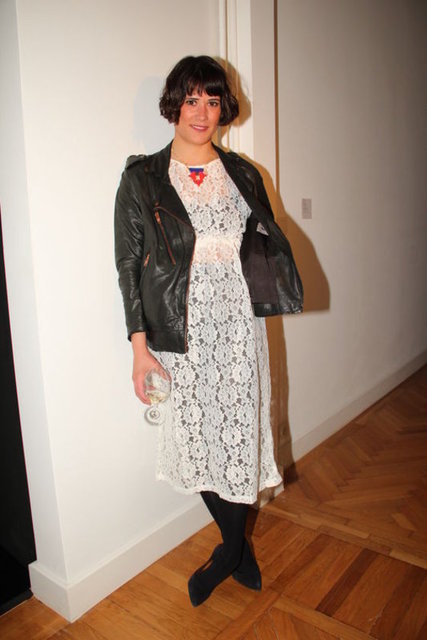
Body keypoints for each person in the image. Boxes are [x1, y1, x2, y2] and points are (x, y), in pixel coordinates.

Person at [114, 55, 303, 607]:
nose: (201, 112)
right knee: (196, 437)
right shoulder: (142, 178)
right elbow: (129, 266)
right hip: (180, 333)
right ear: (174, 104)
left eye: (212, 101)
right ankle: (236, 549)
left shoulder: (243, 173)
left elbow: (261, 245)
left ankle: (227, 554)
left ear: (224, 108)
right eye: (191, 99)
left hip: (240, 330)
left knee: (238, 438)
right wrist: (140, 350)